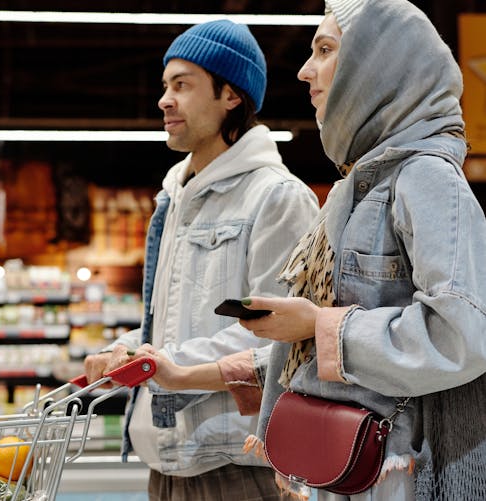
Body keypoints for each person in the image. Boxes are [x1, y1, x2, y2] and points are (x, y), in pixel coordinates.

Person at [166, 0, 485, 499]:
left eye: (325, 49)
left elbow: (462, 335)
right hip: (344, 471)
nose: (304, 69)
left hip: (403, 475)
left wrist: (317, 324)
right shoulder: (350, 190)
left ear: (375, 67)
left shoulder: (426, 178)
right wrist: (278, 427)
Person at [83, 19, 319, 501]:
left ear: (230, 96)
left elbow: (275, 337)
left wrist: (161, 365)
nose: (164, 100)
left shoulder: (276, 198)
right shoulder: (175, 197)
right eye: (165, 86)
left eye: (182, 85)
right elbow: (171, 323)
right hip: (165, 463)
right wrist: (129, 349)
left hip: (236, 462)